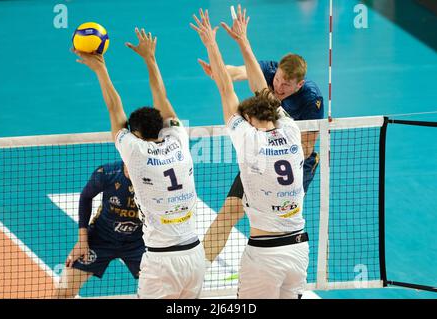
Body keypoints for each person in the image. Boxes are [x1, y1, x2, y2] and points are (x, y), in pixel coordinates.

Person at [73, 27, 205, 299]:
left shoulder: (135, 152)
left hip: (161, 260)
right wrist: (150, 59)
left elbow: (114, 109)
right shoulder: (179, 139)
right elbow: (163, 100)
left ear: (136, 134)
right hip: (194, 254)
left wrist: (101, 69)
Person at [191, 5, 309, 299]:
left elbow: (225, 88)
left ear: (251, 120)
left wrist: (211, 43)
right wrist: (242, 40)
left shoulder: (248, 140)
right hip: (298, 250)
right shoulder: (291, 129)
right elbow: (261, 90)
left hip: (265, 256)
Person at [53, 161, 145, 298]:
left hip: (138, 242)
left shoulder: (155, 178)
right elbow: (86, 196)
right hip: (100, 238)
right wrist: (82, 241)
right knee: (63, 291)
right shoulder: (107, 174)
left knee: (165, 290)